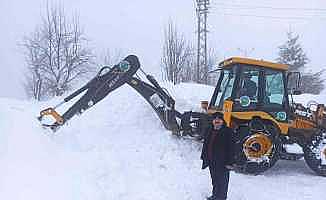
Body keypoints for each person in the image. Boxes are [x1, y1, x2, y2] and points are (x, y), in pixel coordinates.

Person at [201, 112, 235, 200]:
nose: (217, 120)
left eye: (219, 119)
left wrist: (230, 162)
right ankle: (215, 196)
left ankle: (222, 198)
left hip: (223, 163)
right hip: (212, 161)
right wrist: (204, 157)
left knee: (223, 182)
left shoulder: (228, 132)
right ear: (212, 121)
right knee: (215, 181)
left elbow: (232, 148)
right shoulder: (209, 130)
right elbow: (206, 144)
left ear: (222, 121)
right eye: (215, 119)